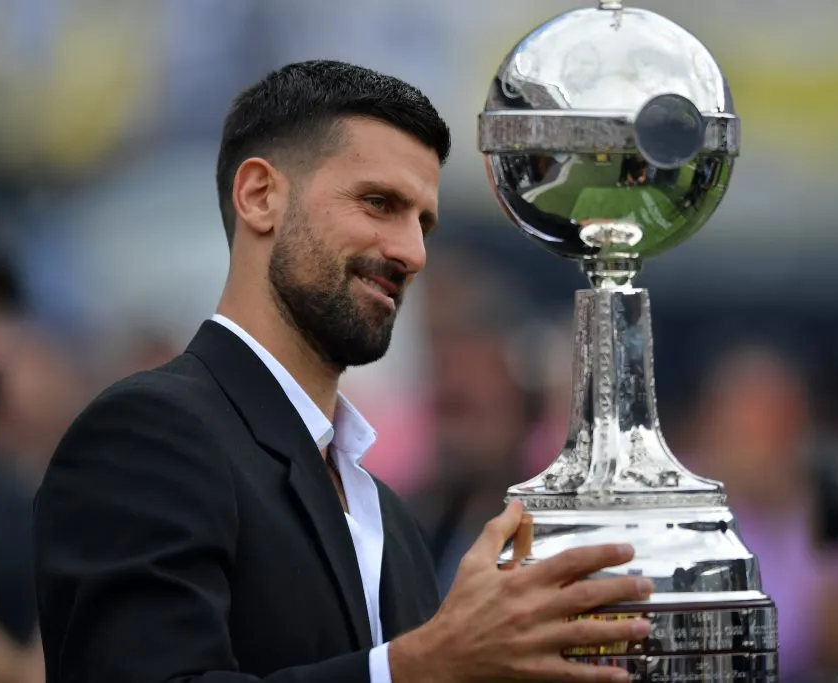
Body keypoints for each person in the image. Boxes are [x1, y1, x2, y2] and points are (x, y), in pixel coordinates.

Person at [32, 59, 654, 683]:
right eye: (379, 203)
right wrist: (420, 666)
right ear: (259, 196)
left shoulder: (391, 518)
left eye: (423, 223)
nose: (412, 253)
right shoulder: (147, 436)